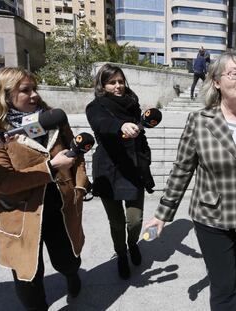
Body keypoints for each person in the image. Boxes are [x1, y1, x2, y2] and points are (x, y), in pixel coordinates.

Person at [145, 51, 236, 310]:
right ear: (216, 82)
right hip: (212, 218)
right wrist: (162, 214)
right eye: (234, 74)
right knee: (223, 289)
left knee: (233, 276)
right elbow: (182, 169)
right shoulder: (199, 121)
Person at [0, 67, 90, 311]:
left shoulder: (52, 117)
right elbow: (3, 182)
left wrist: (80, 187)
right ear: (5, 95)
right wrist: (50, 168)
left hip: (60, 207)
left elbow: (76, 151)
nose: (34, 95)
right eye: (25, 91)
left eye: (34, 89)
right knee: (28, 273)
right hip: (21, 215)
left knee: (68, 260)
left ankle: (72, 276)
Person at [86, 63, 155, 280]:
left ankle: (132, 243)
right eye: (112, 82)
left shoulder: (133, 103)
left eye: (120, 81)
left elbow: (140, 133)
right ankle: (121, 253)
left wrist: (145, 155)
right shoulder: (95, 106)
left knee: (135, 220)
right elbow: (101, 123)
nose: (118, 86)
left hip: (134, 169)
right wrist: (121, 126)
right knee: (116, 223)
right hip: (109, 171)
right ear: (102, 85)